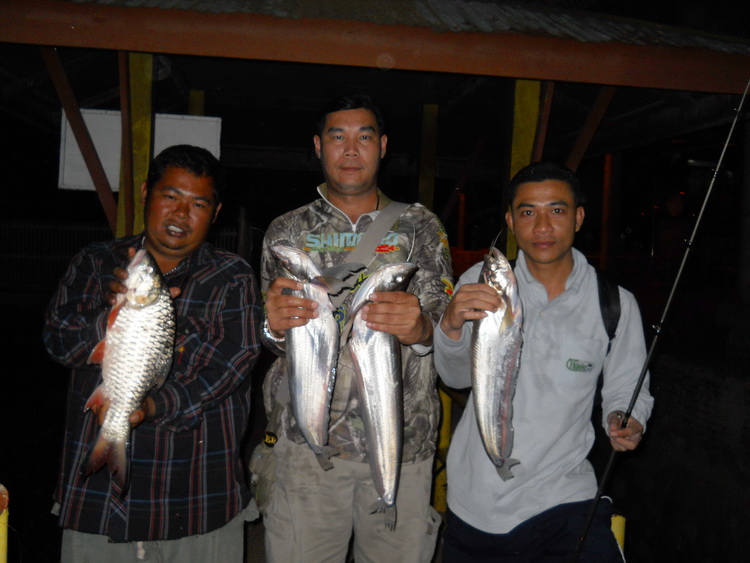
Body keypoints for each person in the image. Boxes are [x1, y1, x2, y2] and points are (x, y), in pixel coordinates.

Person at [258, 94, 453, 562]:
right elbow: (269, 335)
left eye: (364, 137)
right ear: (318, 146)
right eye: (337, 137)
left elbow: (449, 328)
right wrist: (272, 328)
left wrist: (423, 328)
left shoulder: (420, 225)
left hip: (401, 446)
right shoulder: (286, 231)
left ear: (383, 146)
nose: (350, 149)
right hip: (306, 446)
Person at [44, 145, 262, 561]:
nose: (181, 214)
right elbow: (57, 340)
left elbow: (230, 363)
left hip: (198, 500)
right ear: (146, 193)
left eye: (198, 204)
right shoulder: (95, 263)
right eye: (170, 196)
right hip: (100, 505)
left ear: (215, 214)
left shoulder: (231, 276)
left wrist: (153, 404)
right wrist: (106, 318)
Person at [434, 162, 654, 562]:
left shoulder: (615, 303)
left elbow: (628, 385)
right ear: (511, 221)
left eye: (557, 210)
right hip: (476, 501)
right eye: (527, 212)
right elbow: (453, 377)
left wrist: (627, 417)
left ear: (578, 217)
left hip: (565, 498)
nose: (542, 226)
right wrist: (449, 325)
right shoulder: (478, 285)